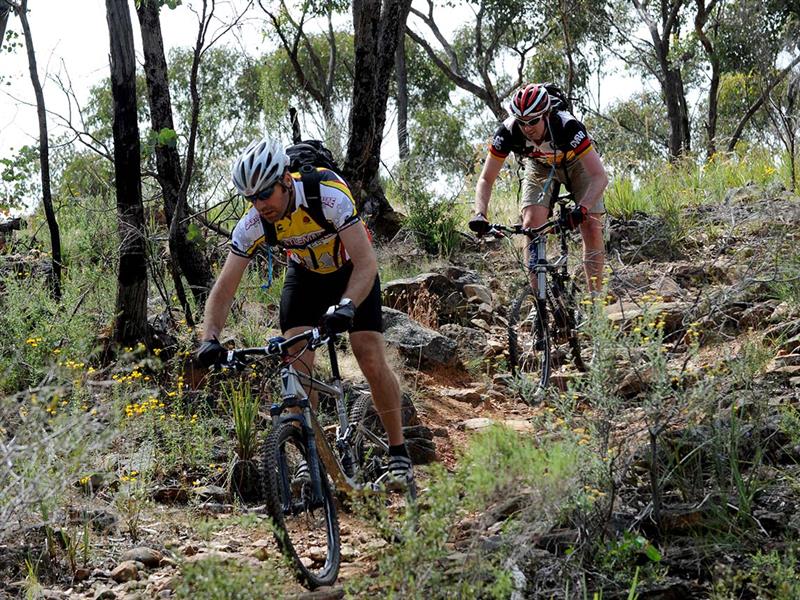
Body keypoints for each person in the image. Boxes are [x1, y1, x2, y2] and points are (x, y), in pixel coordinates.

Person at [196, 137, 413, 488]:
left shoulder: (327, 196)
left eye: (265, 194)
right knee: (296, 360)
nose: (259, 204)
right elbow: (224, 288)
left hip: (351, 270)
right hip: (306, 278)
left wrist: (346, 306)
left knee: (369, 354)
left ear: (285, 180)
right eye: (251, 198)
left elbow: (367, 263)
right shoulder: (254, 223)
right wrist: (210, 338)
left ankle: (399, 452)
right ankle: (309, 458)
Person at [469, 83, 608, 294]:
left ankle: (595, 301)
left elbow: (599, 177)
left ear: (546, 114)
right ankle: (538, 300)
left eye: (533, 120)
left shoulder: (567, 127)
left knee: (590, 225)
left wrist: (581, 210)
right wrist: (480, 214)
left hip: (576, 163)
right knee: (532, 224)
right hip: (540, 165)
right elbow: (486, 179)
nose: (527, 127)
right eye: (522, 122)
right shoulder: (508, 132)